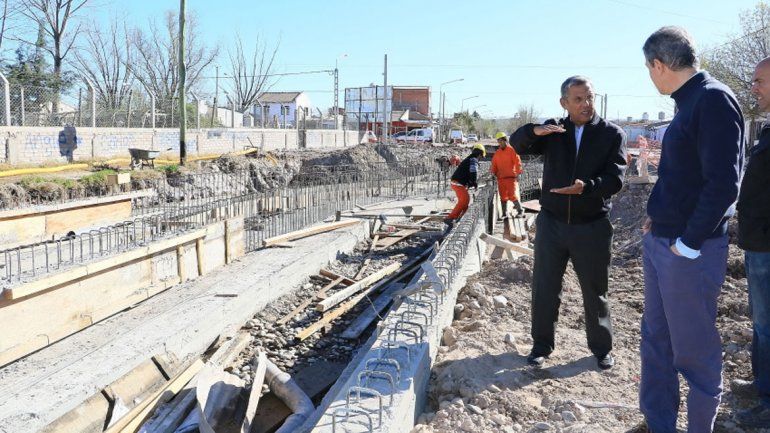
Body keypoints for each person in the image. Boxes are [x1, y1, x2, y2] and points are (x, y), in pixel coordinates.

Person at [638, 27, 744, 433]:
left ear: (659, 65)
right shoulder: (689, 102)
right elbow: (683, 175)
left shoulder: (713, 99)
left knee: (695, 351)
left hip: (688, 253)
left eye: (648, 69)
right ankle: (659, 423)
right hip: (664, 241)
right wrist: (660, 216)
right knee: (656, 339)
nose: (650, 76)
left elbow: (724, 184)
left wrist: (688, 243)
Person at [510, 75, 627, 370]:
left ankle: (602, 349)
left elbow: (615, 179)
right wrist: (533, 130)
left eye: (589, 98)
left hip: (592, 226)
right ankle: (541, 346)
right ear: (564, 103)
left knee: (595, 291)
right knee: (545, 288)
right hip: (552, 224)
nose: (586, 104)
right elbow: (516, 144)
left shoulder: (612, 134)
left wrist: (586, 187)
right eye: (578, 99)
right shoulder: (554, 132)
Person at [734, 57, 770, 428]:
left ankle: (767, 402)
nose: (753, 87)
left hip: (767, 245)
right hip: (757, 243)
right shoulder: (768, 130)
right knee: (762, 321)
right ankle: (762, 386)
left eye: (759, 80)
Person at [446, 144, 486, 222]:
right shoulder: (473, 160)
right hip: (457, 183)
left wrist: (471, 183)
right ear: (479, 154)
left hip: (458, 183)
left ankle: (462, 217)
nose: (480, 158)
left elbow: (469, 173)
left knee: (465, 200)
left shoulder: (470, 159)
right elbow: (473, 172)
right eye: (481, 156)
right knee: (464, 199)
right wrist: (474, 183)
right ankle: (450, 218)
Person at [491, 131, 524, 217]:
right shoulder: (497, 153)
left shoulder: (512, 150)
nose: (500, 143)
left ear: (505, 140)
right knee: (503, 196)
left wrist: (519, 173)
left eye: (502, 141)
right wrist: (493, 173)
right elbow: (494, 164)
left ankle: (520, 211)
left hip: (510, 178)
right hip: (501, 178)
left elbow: (517, 162)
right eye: (499, 141)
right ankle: (504, 213)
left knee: (512, 195)